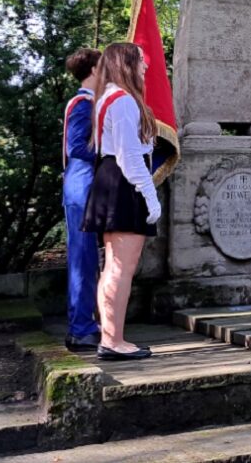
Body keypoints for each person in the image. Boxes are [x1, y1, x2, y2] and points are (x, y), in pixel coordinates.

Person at [82, 42, 160, 360]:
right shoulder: (124, 101)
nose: (145, 66)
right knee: (121, 268)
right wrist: (151, 196)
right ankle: (113, 341)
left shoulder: (106, 98)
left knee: (112, 268)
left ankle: (111, 337)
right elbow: (130, 157)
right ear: (127, 63)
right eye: (141, 61)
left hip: (109, 178)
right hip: (123, 181)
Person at [62, 48, 102, 351]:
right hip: (82, 182)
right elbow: (77, 147)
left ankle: (83, 324)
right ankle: (81, 328)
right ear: (93, 70)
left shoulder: (90, 103)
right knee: (83, 259)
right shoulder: (82, 104)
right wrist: (111, 152)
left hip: (84, 181)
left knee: (87, 258)